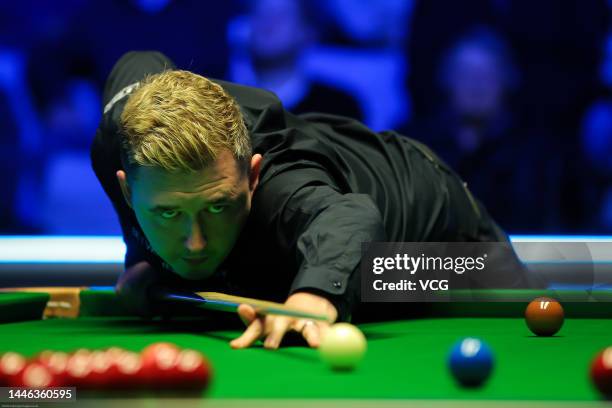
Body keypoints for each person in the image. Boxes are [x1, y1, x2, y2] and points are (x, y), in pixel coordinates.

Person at [91, 51, 528, 351]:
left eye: (218, 206)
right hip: (312, 229)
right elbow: (139, 62)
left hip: (420, 238)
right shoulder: (118, 137)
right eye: (167, 213)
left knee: (529, 318)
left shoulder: (284, 186)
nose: (195, 243)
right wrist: (142, 257)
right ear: (129, 189)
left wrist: (314, 296)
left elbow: (349, 214)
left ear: (253, 175)